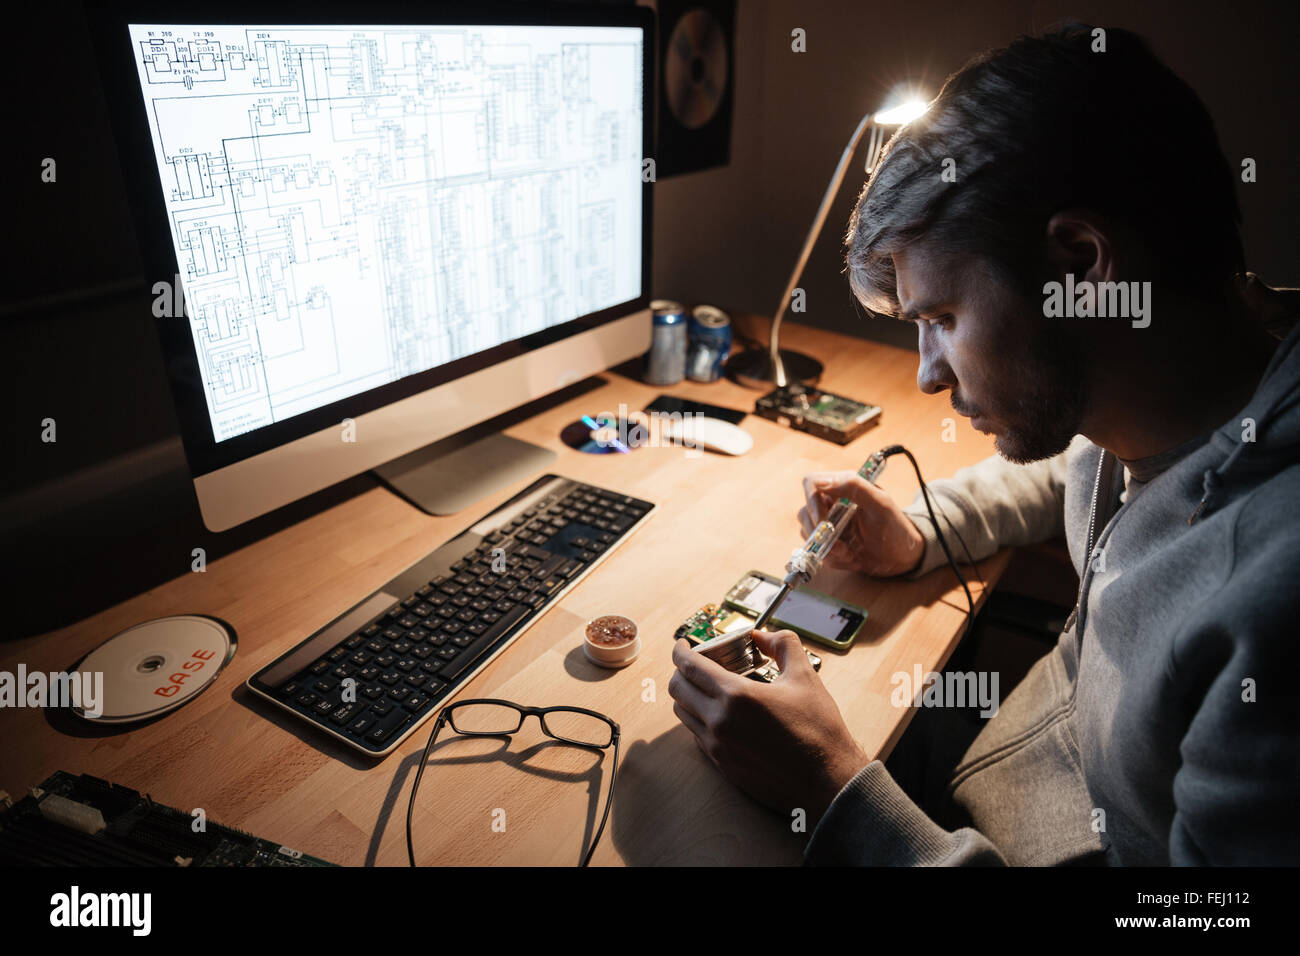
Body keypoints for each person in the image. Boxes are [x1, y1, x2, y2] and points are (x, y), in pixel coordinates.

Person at [668, 23, 1300, 865]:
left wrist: (832, 790)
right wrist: (924, 530)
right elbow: (1074, 484)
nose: (927, 377)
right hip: (1007, 769)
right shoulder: (1186, 384)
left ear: (1081, 266)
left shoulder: (1271, 606)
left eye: (942, 320)